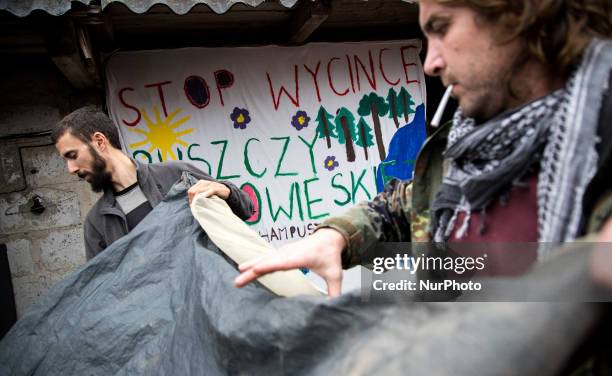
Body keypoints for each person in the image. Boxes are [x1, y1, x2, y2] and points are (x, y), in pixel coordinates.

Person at [235, 0, 612, 296]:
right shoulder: (464, 149)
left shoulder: (601, 151)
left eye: (442, 28)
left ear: (517, 14)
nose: (430, 62)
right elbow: (400, 206)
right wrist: (334, 238)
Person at [53, 106, 254, 260]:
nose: (71, 169)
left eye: (72, 155)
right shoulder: (96, 223)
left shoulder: (177, 176)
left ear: (99, 141)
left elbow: (246, 210)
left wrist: (225, 191)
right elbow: (104, 292)